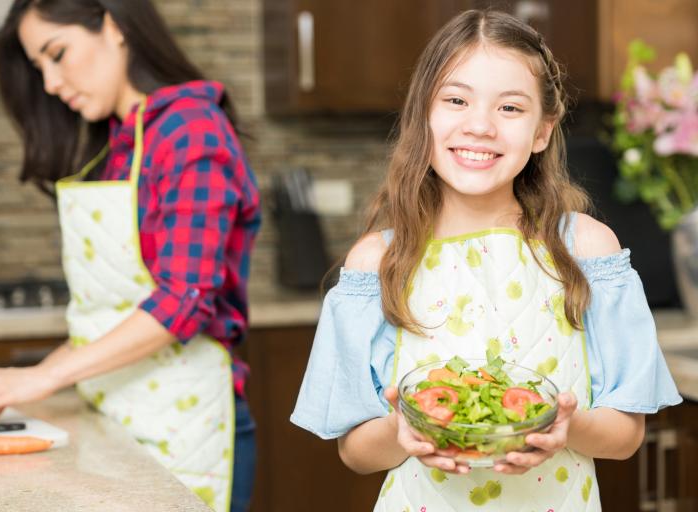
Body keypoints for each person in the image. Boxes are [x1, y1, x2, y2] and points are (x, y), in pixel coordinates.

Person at [291, 9, 682, 511]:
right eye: (455, 100)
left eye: (510, 109)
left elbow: (626, 435)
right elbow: (356, 452)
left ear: (543, 130)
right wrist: (402, 431)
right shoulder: (377, 262)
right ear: (423, 115)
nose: (479, 126)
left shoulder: (588, 250)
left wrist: (567, 428)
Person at [0, 1, 260, 511]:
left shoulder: (191, 130)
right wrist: (19, 383)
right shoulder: (118, 146)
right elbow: (115, 314)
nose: (51, 82)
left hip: (188, 428)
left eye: (57, 54)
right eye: (38, 67)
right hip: (117, 416)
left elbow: (183, 300)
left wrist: (45, 376)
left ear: (114, 26)